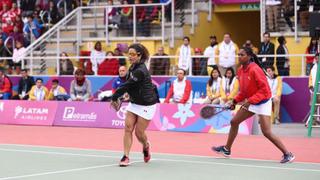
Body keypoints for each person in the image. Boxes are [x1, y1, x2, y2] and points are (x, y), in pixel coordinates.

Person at [212, 47, 295, 163]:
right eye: (238, 54)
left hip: (263, 102)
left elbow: (265, 91)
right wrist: (234, 101)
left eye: (242, 55)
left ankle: (288, 154)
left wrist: (249, 101)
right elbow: (243, 91)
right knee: (234, 122)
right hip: (251, 101)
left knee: (266, 132)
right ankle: (227, 149)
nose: (239, 56)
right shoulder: (241, 70)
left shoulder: (255, 70)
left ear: (249, 56)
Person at [111, 43, 159, 167]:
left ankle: (145, 145)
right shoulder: (132, 68)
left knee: (139, 133)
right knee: (127, 128)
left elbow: (127, 85)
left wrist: (115, 96)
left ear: (139, 55)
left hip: (147, 105)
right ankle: (126, 156)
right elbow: (129, 87)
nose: (130, 57)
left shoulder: (141, 70)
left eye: (133, 55)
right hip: (135, 103)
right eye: (129, 54)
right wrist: (123, 97)